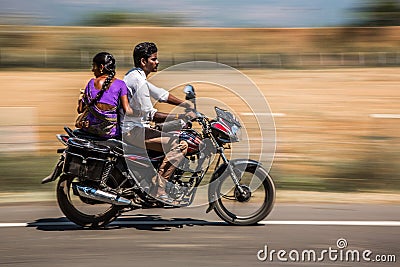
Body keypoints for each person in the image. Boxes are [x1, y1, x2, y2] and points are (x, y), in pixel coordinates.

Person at [122, 42, 194, 201]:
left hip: (136, 127)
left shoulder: (136, 75)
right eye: (153, 59)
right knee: (179, 145)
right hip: (133, 130)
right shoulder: (137, 81)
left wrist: (184, 104)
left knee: (170, 132)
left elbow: (161, 95)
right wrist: (179, 117)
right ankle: (158, 189)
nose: (157, 62)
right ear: (143, 61)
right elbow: (149, 114)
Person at [76, 52, 132, 139]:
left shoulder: (91, 83)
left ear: (101, 67)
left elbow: (80, 110)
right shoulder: (121, 84)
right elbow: (127, 111)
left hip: (90, 130)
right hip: (110, 132)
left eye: (94, 66)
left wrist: (81, 98)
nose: (92, 69)